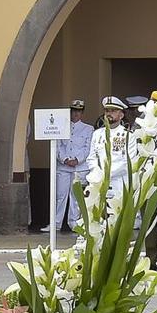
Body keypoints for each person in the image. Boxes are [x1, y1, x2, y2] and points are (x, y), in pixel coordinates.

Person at [81, 97, 133, 213]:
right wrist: (97, 174)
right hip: (98, 183)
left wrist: (106, 174)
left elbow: (127, 162)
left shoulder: (128, 135)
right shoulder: (97, 134)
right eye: (107, 111)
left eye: (113, 111)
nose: (109, 114)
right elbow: (91, 158)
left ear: (121, 115)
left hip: (118, 184)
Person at [54, 99, 93, 231]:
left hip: (79, 167)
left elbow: (87, 148)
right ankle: (56, 223)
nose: (76, 114)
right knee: (60, 195)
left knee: (76, 196)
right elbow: (57, 146)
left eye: (79, 111)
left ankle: (74, 223)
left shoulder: (88, 129)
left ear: (82, 113)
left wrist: (77, 160)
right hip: (63, 167)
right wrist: (65, 159)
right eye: (74, 111)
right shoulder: (61, 127)